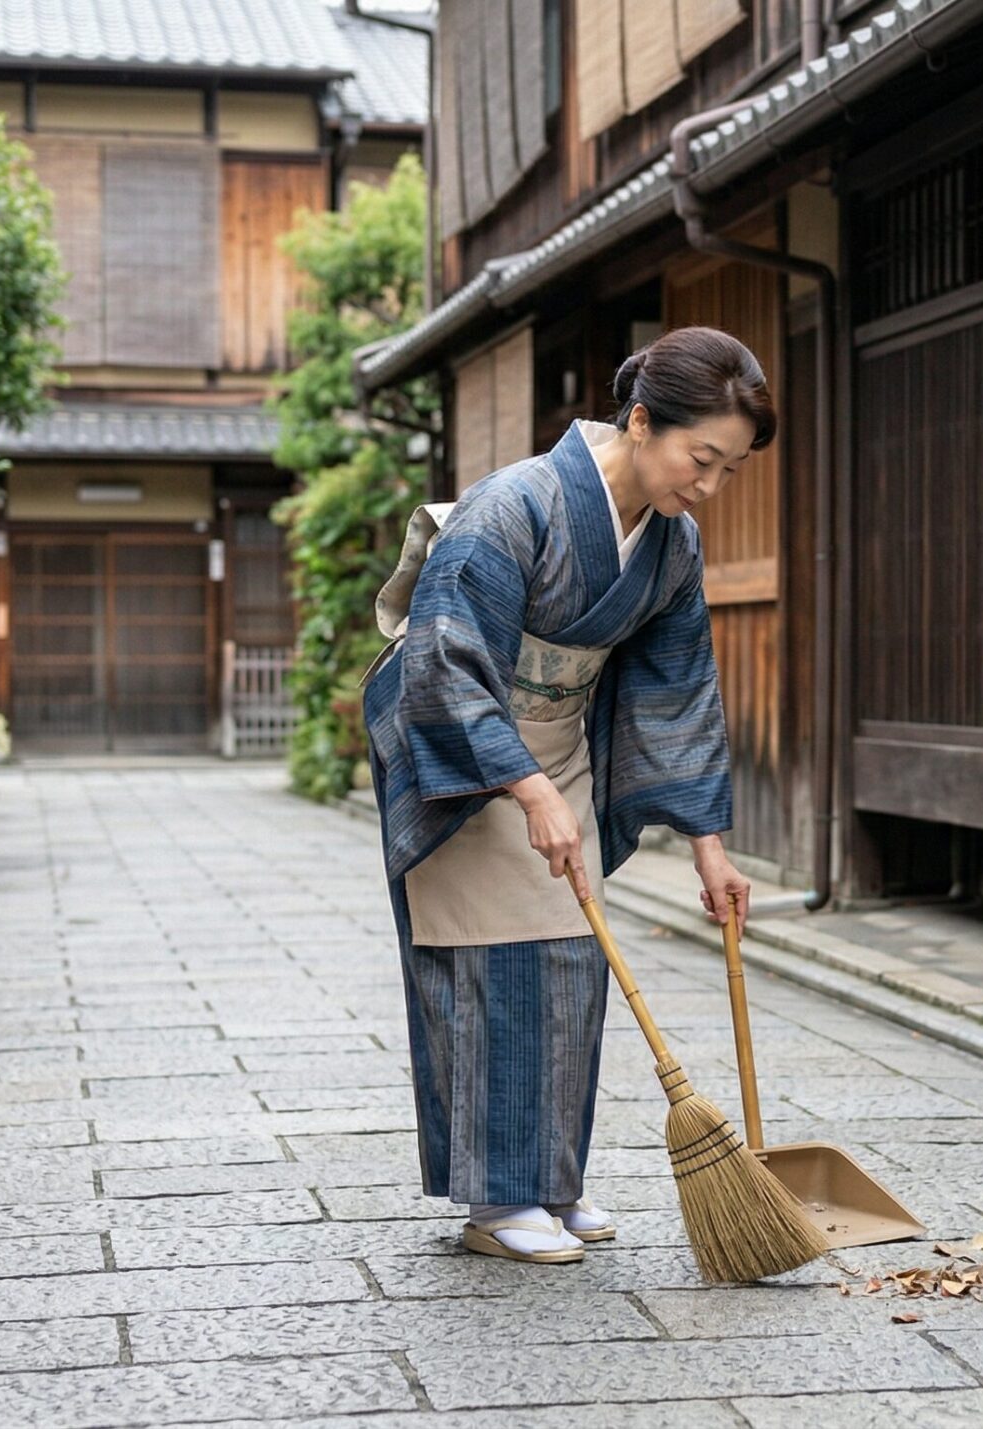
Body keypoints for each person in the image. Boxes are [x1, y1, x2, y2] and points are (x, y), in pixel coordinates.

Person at [361, 327, 767, 1263]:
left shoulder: (671, 543)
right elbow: (445, 656)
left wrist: (710, 844)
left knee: (576, 957)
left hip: (559, 746)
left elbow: (679, 683)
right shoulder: (515, 507)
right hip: (462, 742)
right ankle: (498, 1199)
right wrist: (524, 784)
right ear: (640, 420)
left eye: (727, 471)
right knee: (493, 958)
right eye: (699, 459)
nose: (705, 486)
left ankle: (553, 1181)